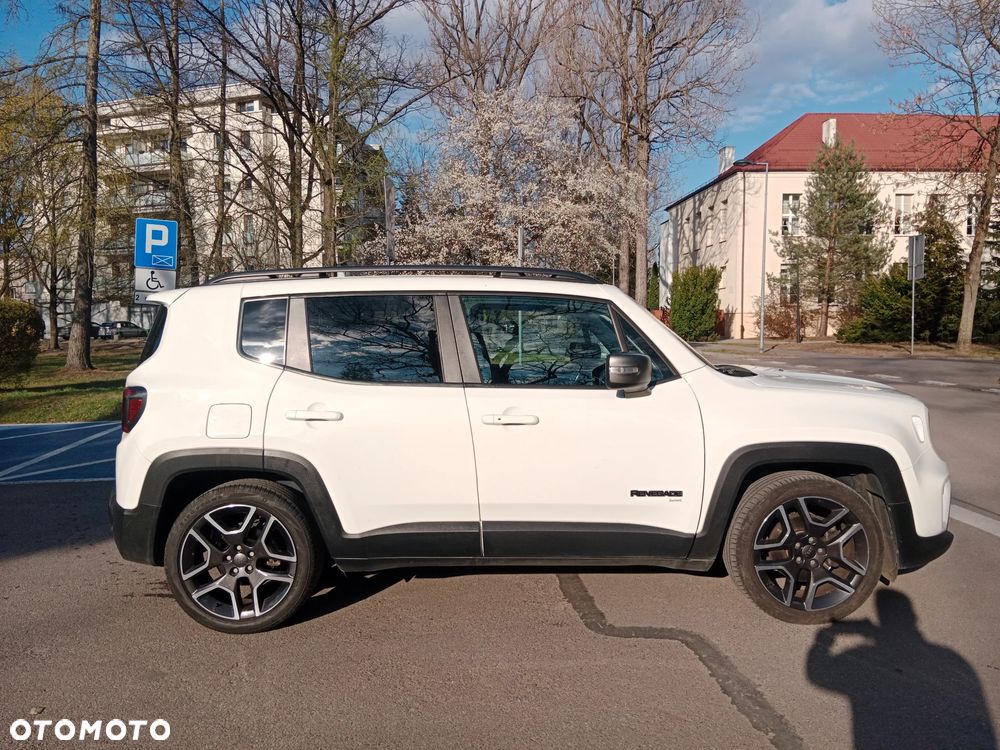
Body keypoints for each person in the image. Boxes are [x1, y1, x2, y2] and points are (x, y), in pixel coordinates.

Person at [807, 588, 997, 749]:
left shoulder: (862, 653)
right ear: (914, 617)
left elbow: (817, 673)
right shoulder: (953, 659)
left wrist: (828, 634)